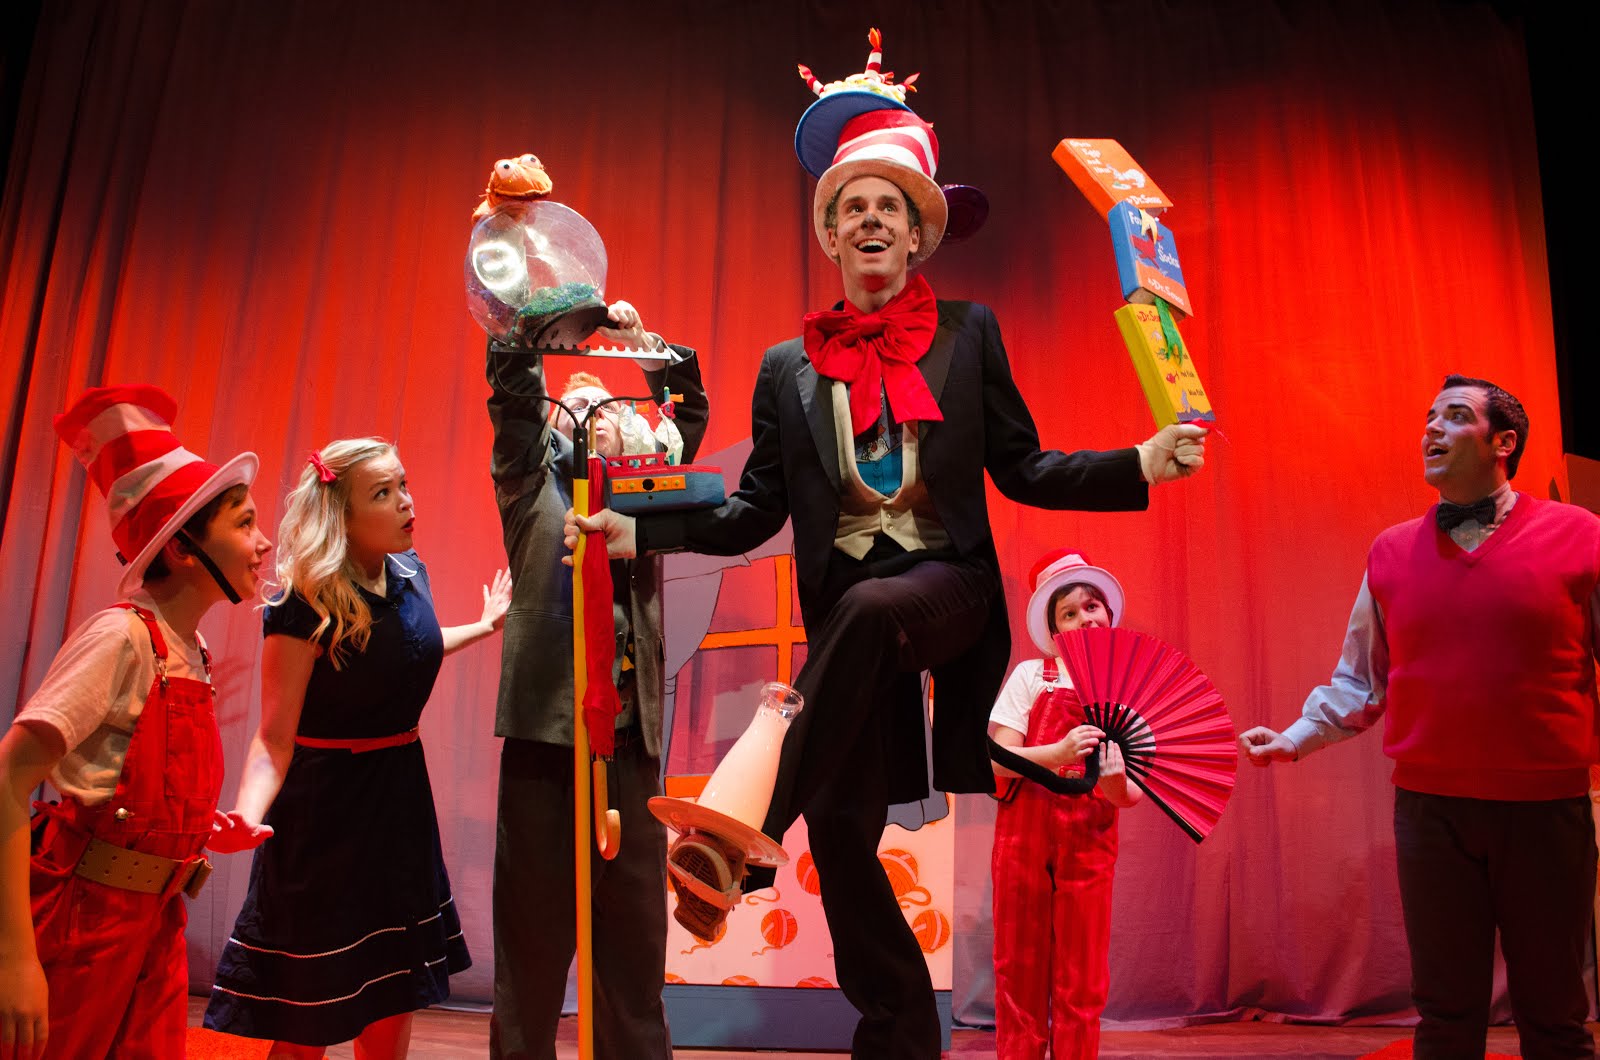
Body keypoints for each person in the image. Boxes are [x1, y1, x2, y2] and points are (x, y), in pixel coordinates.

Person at [564, 32, 1206, 1059]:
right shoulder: (785, 369)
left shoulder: (970, 334)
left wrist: (1139, 461)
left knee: (869, 611)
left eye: (889, 208)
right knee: (844, 830)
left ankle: (744, 837)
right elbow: (753, 512)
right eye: (852, 207)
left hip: (944, 590)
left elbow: (1023, 468)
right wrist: (640, 524)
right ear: (831, 235)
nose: (870, 219)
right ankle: (899, 1032)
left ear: (916, 239)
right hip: (852, 636)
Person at [1239, 375, 1598, 1059]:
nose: (1431, 428)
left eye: (1455, 416)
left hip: (1547, 811)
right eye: (1429, 417)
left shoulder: (1581, 534)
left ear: (1504, 442)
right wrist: (1292, 740)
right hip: (1432, 813)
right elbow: (1360, 679)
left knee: (1555, 1015)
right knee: (1445, 1013)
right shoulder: (1391, 550)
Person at [204, 437, 510, 1057]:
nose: (406, 502)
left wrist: (483, 626)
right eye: (383, 493)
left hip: (399, 805)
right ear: (341, 516)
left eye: (403, 485)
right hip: (324, 817)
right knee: (307, 1013)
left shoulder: (409, 571)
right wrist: (248, 814)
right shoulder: (302, 603)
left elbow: (409, 646)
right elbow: (273, 736)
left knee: (394, 992)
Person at [0, 384, 273, 1060]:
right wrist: (15, 961)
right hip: (81, 929)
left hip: (154, 930)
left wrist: (192, 825)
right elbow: (8, 780)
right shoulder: (119, 639)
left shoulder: (193, 650)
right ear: (182, 547)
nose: (263, 542)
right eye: (244, 523)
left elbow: (129, 773)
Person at [485, 301, 708, 1059]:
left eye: (605, 402)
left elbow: (688, 408)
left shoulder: (647, 495)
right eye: (574, 397)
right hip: (547, 740)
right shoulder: (529, 483)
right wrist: (551, 322)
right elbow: (513, 391)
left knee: (634, 946)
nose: (590, 405)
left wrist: (642, 346)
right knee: (532, 944)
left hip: (629, 741)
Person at [988, 550, 1142, 1060]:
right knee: (1019, 967)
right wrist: (1056, 754)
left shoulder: (1130, 688)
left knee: (1083, 974)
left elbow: (1132, 794)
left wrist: (1115, 783)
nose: (1084, 619)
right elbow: (996, 761)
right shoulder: (1032, 676)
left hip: (1090, 841)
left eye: (1091, 607)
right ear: (1053, 632)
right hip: (1022, 838)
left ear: (1109, 614)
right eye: (1069, 613)